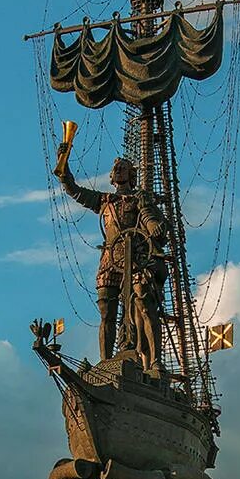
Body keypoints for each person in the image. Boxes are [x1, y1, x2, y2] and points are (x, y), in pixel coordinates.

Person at [55, 124, 167, 367]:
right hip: (110, 259)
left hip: (136, 258)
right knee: (107, 309)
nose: (117, 170)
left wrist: (153, 228)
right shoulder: (104, 201)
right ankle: (106, 362)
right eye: (115, 168)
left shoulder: (139, 198)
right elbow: (75, 191)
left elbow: (148, 217)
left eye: (122, 168)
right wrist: (64, 170)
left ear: (131, 175)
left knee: (144, 304)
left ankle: (154, 360)